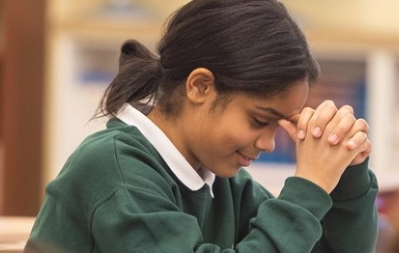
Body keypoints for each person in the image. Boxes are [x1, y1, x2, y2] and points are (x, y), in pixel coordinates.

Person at [24, 0, 378, 252]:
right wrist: (308, 186)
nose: (269, 143)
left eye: (279, 125)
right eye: (259, 120)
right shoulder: (114, 170)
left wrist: (349, 173)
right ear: (200, 87)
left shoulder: (224, 182)